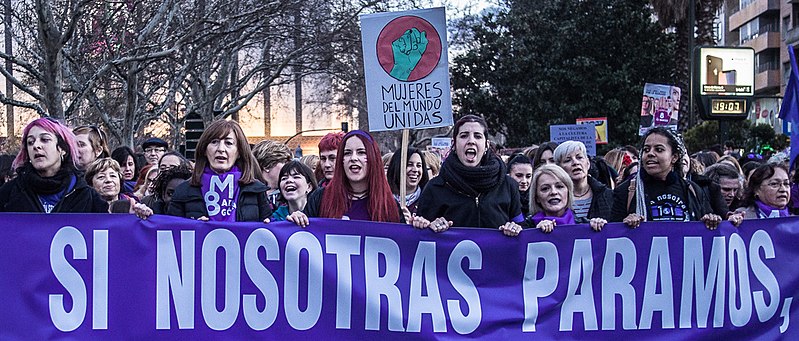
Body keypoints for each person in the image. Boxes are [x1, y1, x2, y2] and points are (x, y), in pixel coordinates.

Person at [414, 115, 523, 236]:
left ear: (486, 145)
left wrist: (515, 228)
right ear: (454, 144)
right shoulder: (434, 188)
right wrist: (429, 226)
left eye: (477, 136)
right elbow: (420, 235)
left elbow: (522, 228)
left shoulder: (508, 185)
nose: (471, 141)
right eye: (464, 135)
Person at [610, 127, 722, 229]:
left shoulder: (693, 190)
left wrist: (710, 220)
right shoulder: (627, 191)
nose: (650, 154)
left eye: (659, 150)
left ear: (674, 157)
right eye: (646, 149)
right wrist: (624, 225)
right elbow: (612, 234)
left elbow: (706, 226)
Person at [292, 130, 402, 227]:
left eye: (361, 152)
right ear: (341, 160)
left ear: (373, 158)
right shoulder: (319, 198)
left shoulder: (389, 205)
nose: (353, 158)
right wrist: (296, 220)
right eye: (347, 153)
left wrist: (416, 227)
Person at [168, 120, 271, 222]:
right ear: (204, 150)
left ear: (239, 152)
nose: (221, 149)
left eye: (228, 143)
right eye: (214, 142)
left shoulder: (256, 190)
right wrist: (194, 227)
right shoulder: (183, 191)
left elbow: (271, 226)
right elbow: (170, 229)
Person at [0, 118, 108, 213]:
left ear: (62, 149)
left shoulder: (88, 197)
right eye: (30, 142)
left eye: (45, 140)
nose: (36, 146)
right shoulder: (8, 193)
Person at [528, 164, 607, 232]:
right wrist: (534, 233)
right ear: (536, 197)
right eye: (545, 189)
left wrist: (601, 227)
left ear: (569, 192)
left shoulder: (586, 225)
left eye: (559, 186)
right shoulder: (525, 228)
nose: (553, 192)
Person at [553, 141, 613, 221]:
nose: (575, 162)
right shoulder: (554, 198)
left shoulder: (609, 195)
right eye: (568, 160)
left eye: (579, 157)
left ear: (588, 163)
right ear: (559, 168)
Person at [387, 147, 430, 215]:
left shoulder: (429, 200)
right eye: (409, 165)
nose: (415, 170)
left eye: (419, 166)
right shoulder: (383, 198)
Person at [252, 140, 293, 210]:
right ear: (267, 165)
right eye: (285, 163)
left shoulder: (292, 195)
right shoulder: (247, 194)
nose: (289, 168)